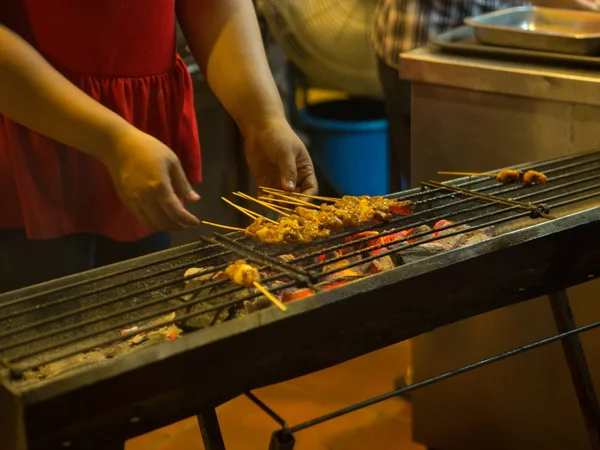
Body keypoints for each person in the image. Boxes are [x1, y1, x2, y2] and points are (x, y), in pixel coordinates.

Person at [0, 1, 317, 292]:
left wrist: (263, 119)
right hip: (24, 147)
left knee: (139, 323)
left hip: (140, 153)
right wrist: (112, 140)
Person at [372, 0, 597, 394]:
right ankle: (437, 377)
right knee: (443, 224)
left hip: (498, 40)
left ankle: (458, 377)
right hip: (430, 37)